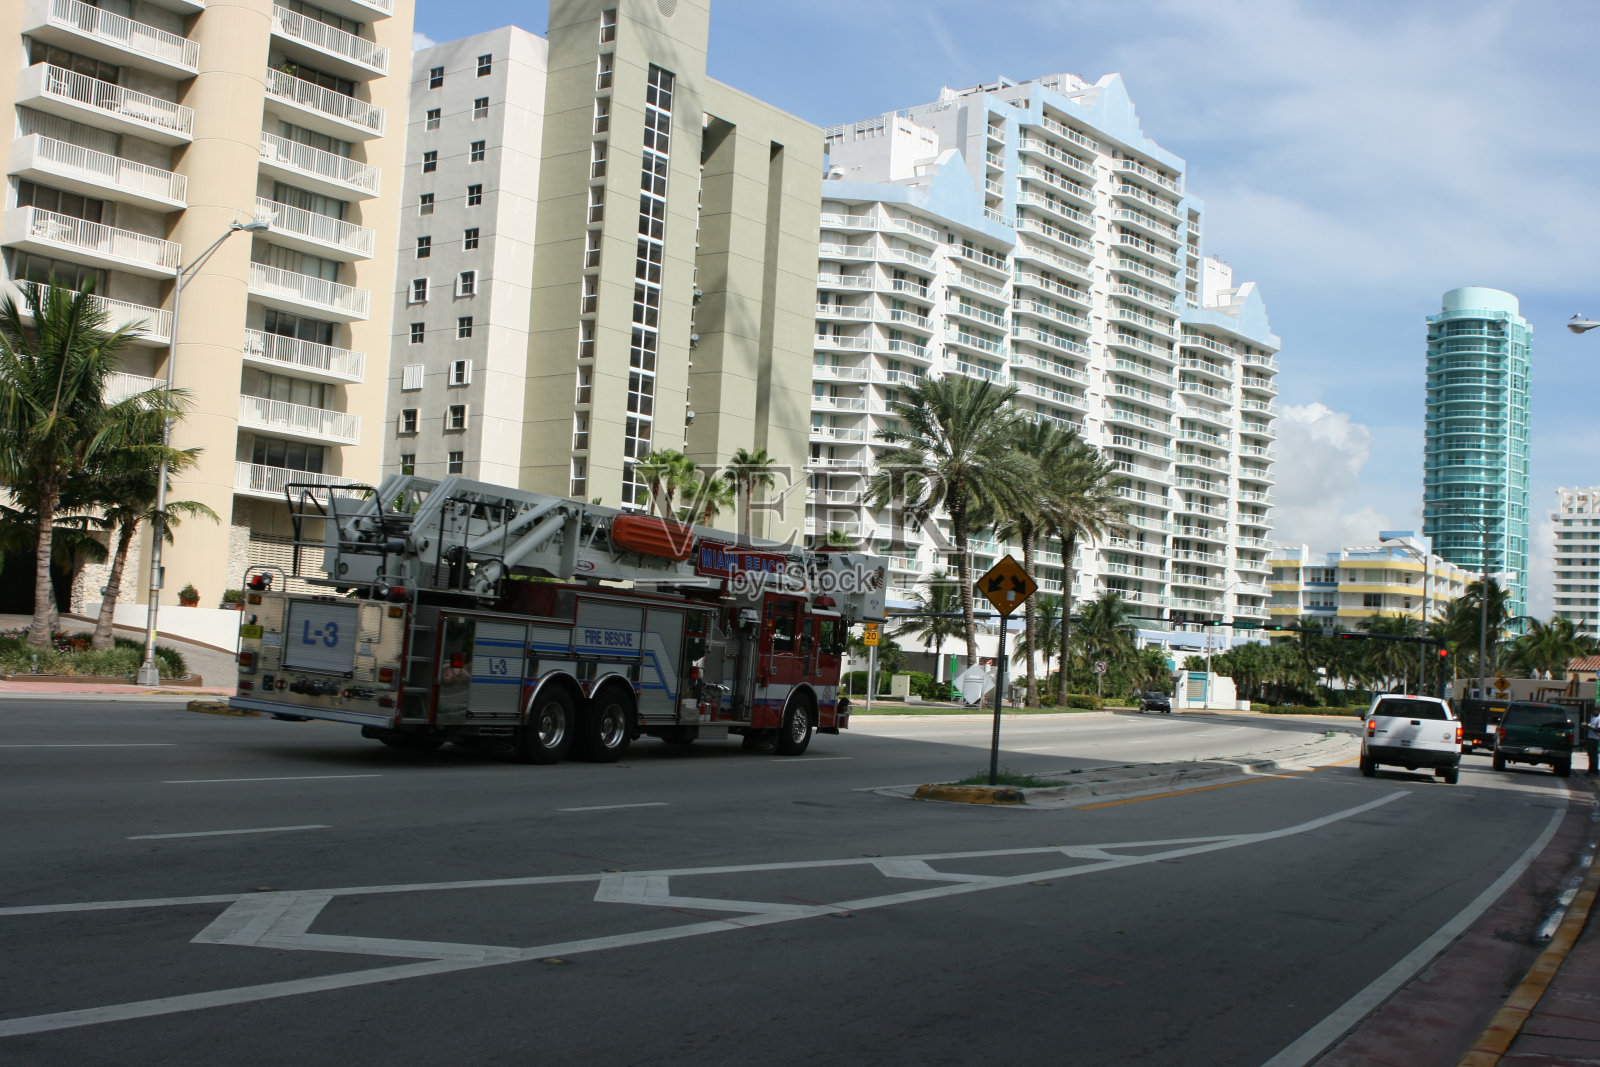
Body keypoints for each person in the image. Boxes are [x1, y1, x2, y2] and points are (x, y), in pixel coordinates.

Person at [1587, 706, 1600, 776]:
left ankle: (1594, 769)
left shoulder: (1599, 718)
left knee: (1594, 754)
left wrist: (1590, 727)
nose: (1594, 712)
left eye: (1596, 711)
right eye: (1594, 710)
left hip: (1595, 738)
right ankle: (1591, 768)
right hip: (1590, 737)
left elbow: (1599, 729)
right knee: (1590, 754)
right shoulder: (1593, 717)